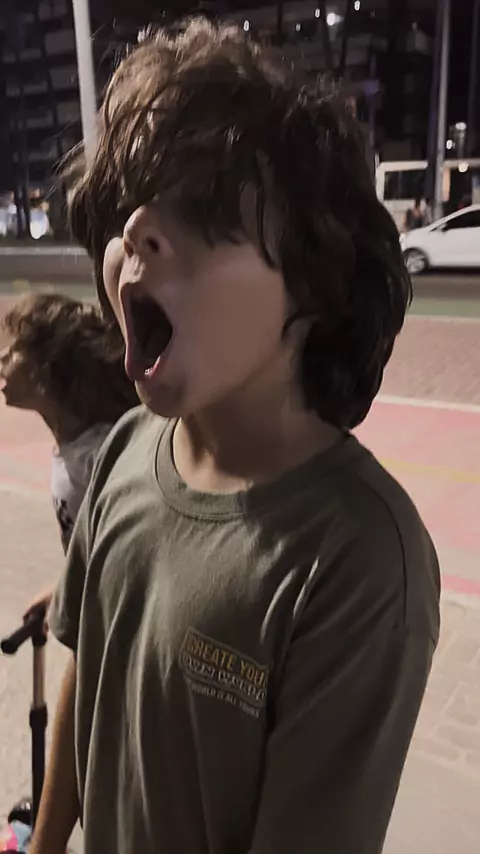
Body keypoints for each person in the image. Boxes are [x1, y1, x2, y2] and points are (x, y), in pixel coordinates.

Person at [31, 19, 440, 854]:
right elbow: (88, 665)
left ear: (315, 279)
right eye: (134, 201)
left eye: (203, 212)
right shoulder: (126, 451)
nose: (136, 230)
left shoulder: (358, 559)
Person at [0, 292, 138, 618]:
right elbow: (93, 556)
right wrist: (63, 592)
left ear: (48, 370)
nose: (3, 355)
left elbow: (130, 568)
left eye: (17, 349)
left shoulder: (101, 458)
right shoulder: (72, 450)